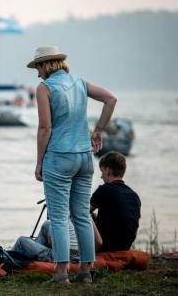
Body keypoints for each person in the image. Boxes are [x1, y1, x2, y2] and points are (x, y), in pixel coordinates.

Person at [29, 46, 117, 283]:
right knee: (81, 215)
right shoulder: (80, 83)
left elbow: (45, 128)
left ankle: (61, 274)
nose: (37, 73)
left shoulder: (44, 88)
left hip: (59, 157)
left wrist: (39, 162)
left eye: (37, 67)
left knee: (58, 217)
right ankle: (86, 271)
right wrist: (98, 131)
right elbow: (111, 98)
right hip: (85, 157)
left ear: (45, 65)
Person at [91, 151, 141, 252]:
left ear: (108, 170)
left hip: (104, 247)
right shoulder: (134, 196)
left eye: (102, 172)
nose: (101, 176)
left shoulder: (104, 189)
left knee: (81, 214)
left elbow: (82, 212)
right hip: (124, 247)